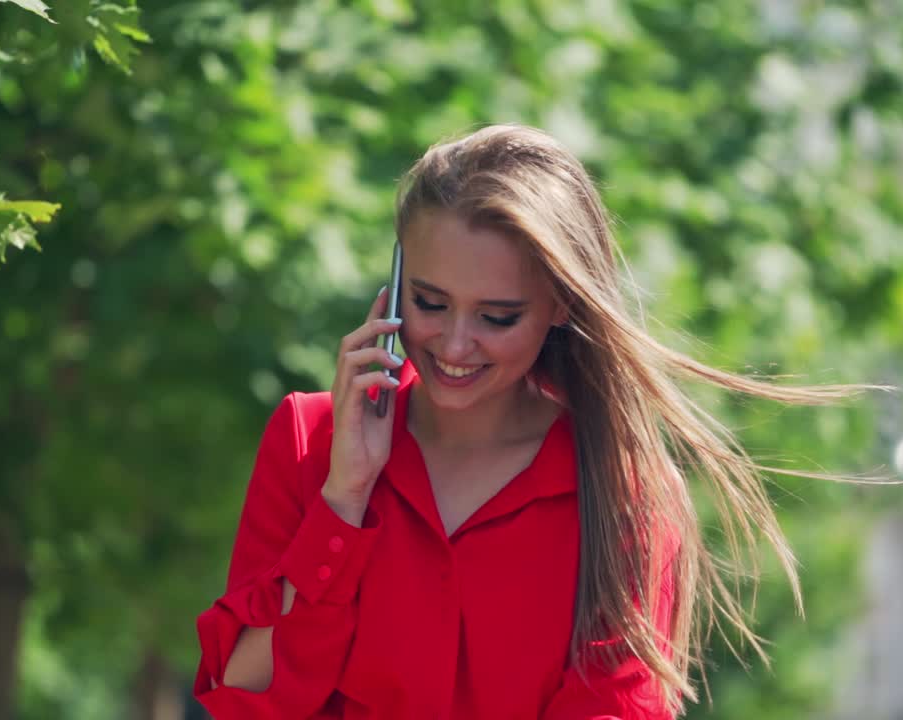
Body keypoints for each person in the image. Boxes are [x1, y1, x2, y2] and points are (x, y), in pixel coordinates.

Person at [193, 124, 865, 719]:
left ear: (560, 306)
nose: (455, 346)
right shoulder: (310, 440)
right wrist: (342, 502)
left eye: (497, 317)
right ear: (396, 280)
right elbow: (247, 697)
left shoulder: (625, 494)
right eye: (429, 302)